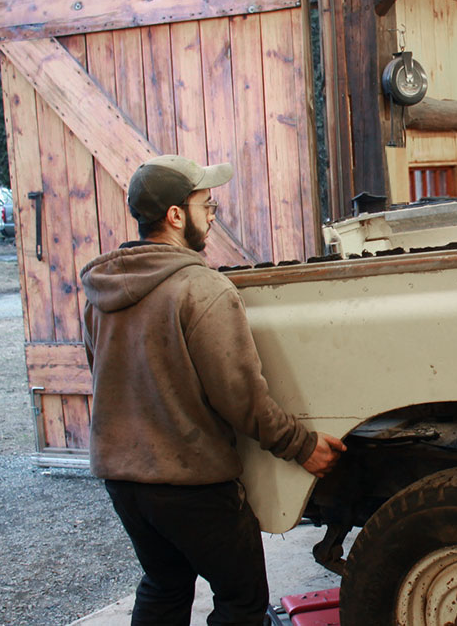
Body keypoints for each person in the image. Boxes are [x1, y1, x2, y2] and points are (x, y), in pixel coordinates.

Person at [81, 154, 346, 625]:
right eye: (207, 204)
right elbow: (239, 395)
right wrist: (300, 445)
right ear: (176, 215)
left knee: (164, 586)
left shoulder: (100, 295)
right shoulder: (201, 290)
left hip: (123, 483)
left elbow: (103, 376)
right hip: (191, 485)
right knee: (240, 602)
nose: (212, 215)